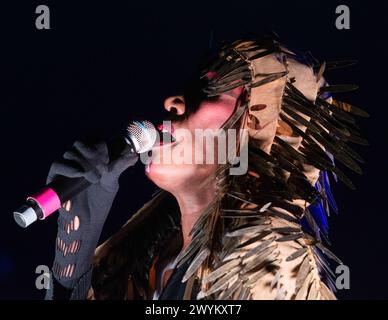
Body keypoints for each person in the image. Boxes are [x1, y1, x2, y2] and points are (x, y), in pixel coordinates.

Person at [45, 35, 368, 300]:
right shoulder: (149, 260)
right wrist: (73, 267)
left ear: (258, 128)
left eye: (211, 89)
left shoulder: (274, 265)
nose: (172, 102)